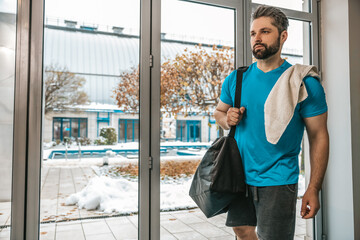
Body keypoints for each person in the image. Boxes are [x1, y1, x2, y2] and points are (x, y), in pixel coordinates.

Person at [214, 5, 329, 240]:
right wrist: (227, 118)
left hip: (278, 179)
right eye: (253, 33)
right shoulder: (236, 78)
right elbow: (218, 113)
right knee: (243, 233)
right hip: (238, 175)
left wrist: (314, 188)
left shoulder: (303, 84)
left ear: (283, 36)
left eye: (265, 31)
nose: (257, 38)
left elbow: (318, 136)